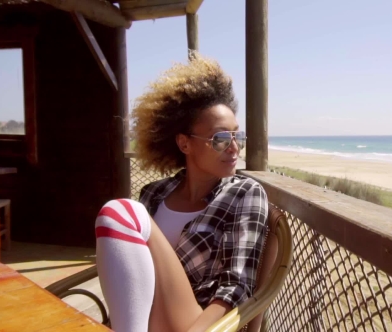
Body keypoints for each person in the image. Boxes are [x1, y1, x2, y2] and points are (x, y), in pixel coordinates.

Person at [95, 53, 269, 332]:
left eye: (239, 136)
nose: (235, 148)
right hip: (141, 317)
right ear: (184, 144)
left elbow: (236, 287)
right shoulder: (154, 193)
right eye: (222, 139)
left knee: (120, 211)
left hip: (197, 322)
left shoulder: (245, 193)